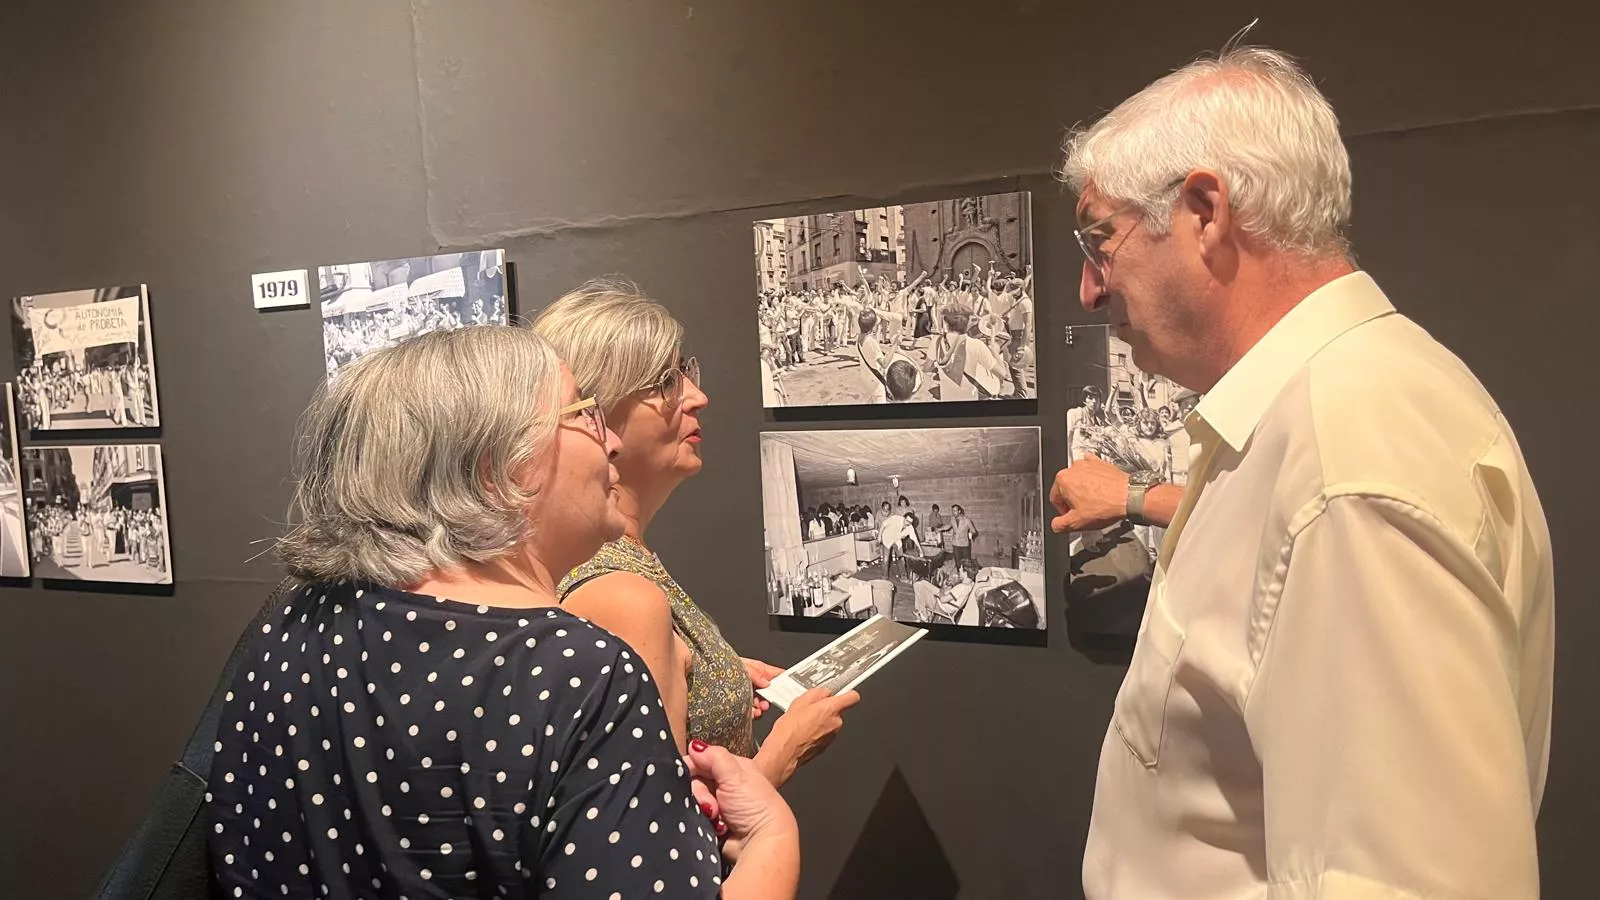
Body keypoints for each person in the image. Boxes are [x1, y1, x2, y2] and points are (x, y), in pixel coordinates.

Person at [1051, 45, 1553, 899]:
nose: (1090, 290)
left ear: (1205, 212)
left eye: (1101, 238)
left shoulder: (1347, 451)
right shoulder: (1320, 410)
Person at [205, 326, 801, 899]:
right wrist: (774, 837)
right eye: (582, 416)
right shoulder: (578, 675)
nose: (611, 441)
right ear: (498, 467)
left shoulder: (289, 622)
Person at [534, 278, 859, 789]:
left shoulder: (622, 555)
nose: (699, 397)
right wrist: (784, 750)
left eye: (685, 374)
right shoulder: (616, 590)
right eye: (666, 382)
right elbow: (661, 838)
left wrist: (718, 674)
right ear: (596, 411)